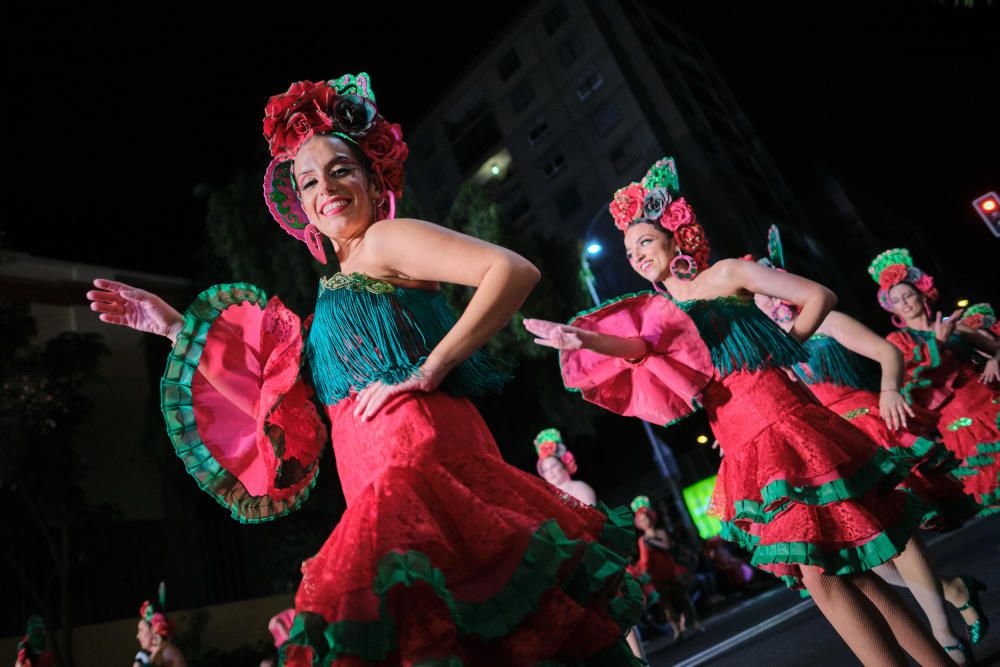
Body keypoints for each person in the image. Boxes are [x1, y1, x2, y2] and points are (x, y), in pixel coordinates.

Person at [88, 73, 642, 666]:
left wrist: (429, 368)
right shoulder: (332, 294)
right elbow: (269, 399)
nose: (325, 187)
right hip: (381, 485)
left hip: (421, 469)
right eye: (308, 181)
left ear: (375, 180)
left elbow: (511, 271)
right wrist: (176, 328)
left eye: (340, 169)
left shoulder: (384, 240)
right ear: (300, 208)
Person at [525, 156, 952, 666]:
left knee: (819, 569)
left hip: (785, 423)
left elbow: (818, 295)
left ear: (673, 236)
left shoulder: (726, 274)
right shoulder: (662, 317)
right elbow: (636, 348)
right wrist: (582, 337)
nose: (636, 255)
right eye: (628, 250)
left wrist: (783, 344)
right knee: (843, 569)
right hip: (742, 444)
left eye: (644, 241)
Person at [752, 233, 981, 662]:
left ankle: (942, 630)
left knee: (896, 531)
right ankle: (952, 590)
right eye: (755, 297)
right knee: (869, 556)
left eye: (766, 289)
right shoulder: (765, 352)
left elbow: (884, 354)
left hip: (861, 426)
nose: (763, 300)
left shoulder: (822, 320)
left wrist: (890, 389)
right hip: (818, 446)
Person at [868, 248, 1000, 522]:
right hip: (956, 422)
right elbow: (912, 383)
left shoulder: (954, 324)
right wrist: (936, 344)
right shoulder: (897, 342)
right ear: (891, 308)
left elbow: (996, 348)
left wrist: (993, 361)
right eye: (896, 300)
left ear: (921, 294)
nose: (904, 302)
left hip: (988, 402)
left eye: (907, 295)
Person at [533, 428, 597, 505]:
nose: (550, 472)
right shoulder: (548, 498)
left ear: (564, 464)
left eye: (553, 466)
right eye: (545, 470)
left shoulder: (579, 487)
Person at [135, 600, 186, 667]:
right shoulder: (146, 656)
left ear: (153, 630)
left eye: (141, 630)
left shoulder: (168, 652)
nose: (137, 636)